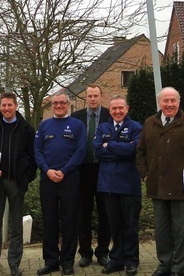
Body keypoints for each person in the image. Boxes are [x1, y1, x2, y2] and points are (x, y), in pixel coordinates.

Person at [136, 87, 184, 276]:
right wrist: (145, 175)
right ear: (160, 103)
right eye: (165, 101)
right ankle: (164, 265)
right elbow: (140, 152)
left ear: (178, 102)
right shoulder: (149, 123)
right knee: (161, 232)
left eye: (173, 101)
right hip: (157, 188)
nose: (169, 104)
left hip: (182, 189)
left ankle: (178, 269)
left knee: (181, 233)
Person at [0, 92, 37, 276]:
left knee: (16, 228)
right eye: (3, 105)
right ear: (0, 107)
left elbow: (33, 157)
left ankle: (14, 265)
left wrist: (25, 180)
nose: (6, 109)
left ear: (16, 106)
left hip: (16, 184)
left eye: (9, 105)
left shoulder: (26, 129)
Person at [34, 92, 86, 276]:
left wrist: (64, 171)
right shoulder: (44, 125)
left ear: (68, 104)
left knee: (69, 222)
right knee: (49, 222)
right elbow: (37, 151)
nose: (58, 105)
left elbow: (80, 151)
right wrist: (47, 170)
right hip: (48, 180)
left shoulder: (78, 125)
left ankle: (67, 262)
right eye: (55, 103)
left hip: (69, 180)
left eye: (62, 103)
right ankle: (51, 261)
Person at [94, 96, 143, 276]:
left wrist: (110, 145)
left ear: (127, 108)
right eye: (114, 108)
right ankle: (116, 260)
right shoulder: (102, 128)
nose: (117, 111)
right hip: (108, 186)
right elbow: (98, 151)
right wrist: (122, 148)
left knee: (130, 226)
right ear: (110, 109)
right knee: (114, 225)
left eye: (120, 108)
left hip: (129, 186)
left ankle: (131, 261)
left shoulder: (136, 127)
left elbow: (135, 150)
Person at [71, 84, 111, 268]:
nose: (93, 99)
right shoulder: (76, 117)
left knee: (105, 212)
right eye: (90, 96)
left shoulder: (110, 116)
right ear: (85, 98)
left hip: (103, 170)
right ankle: (85, 253)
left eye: (96, 96)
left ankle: (103, 252)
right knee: (83, 213)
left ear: (101, 97)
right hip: (83, 171)